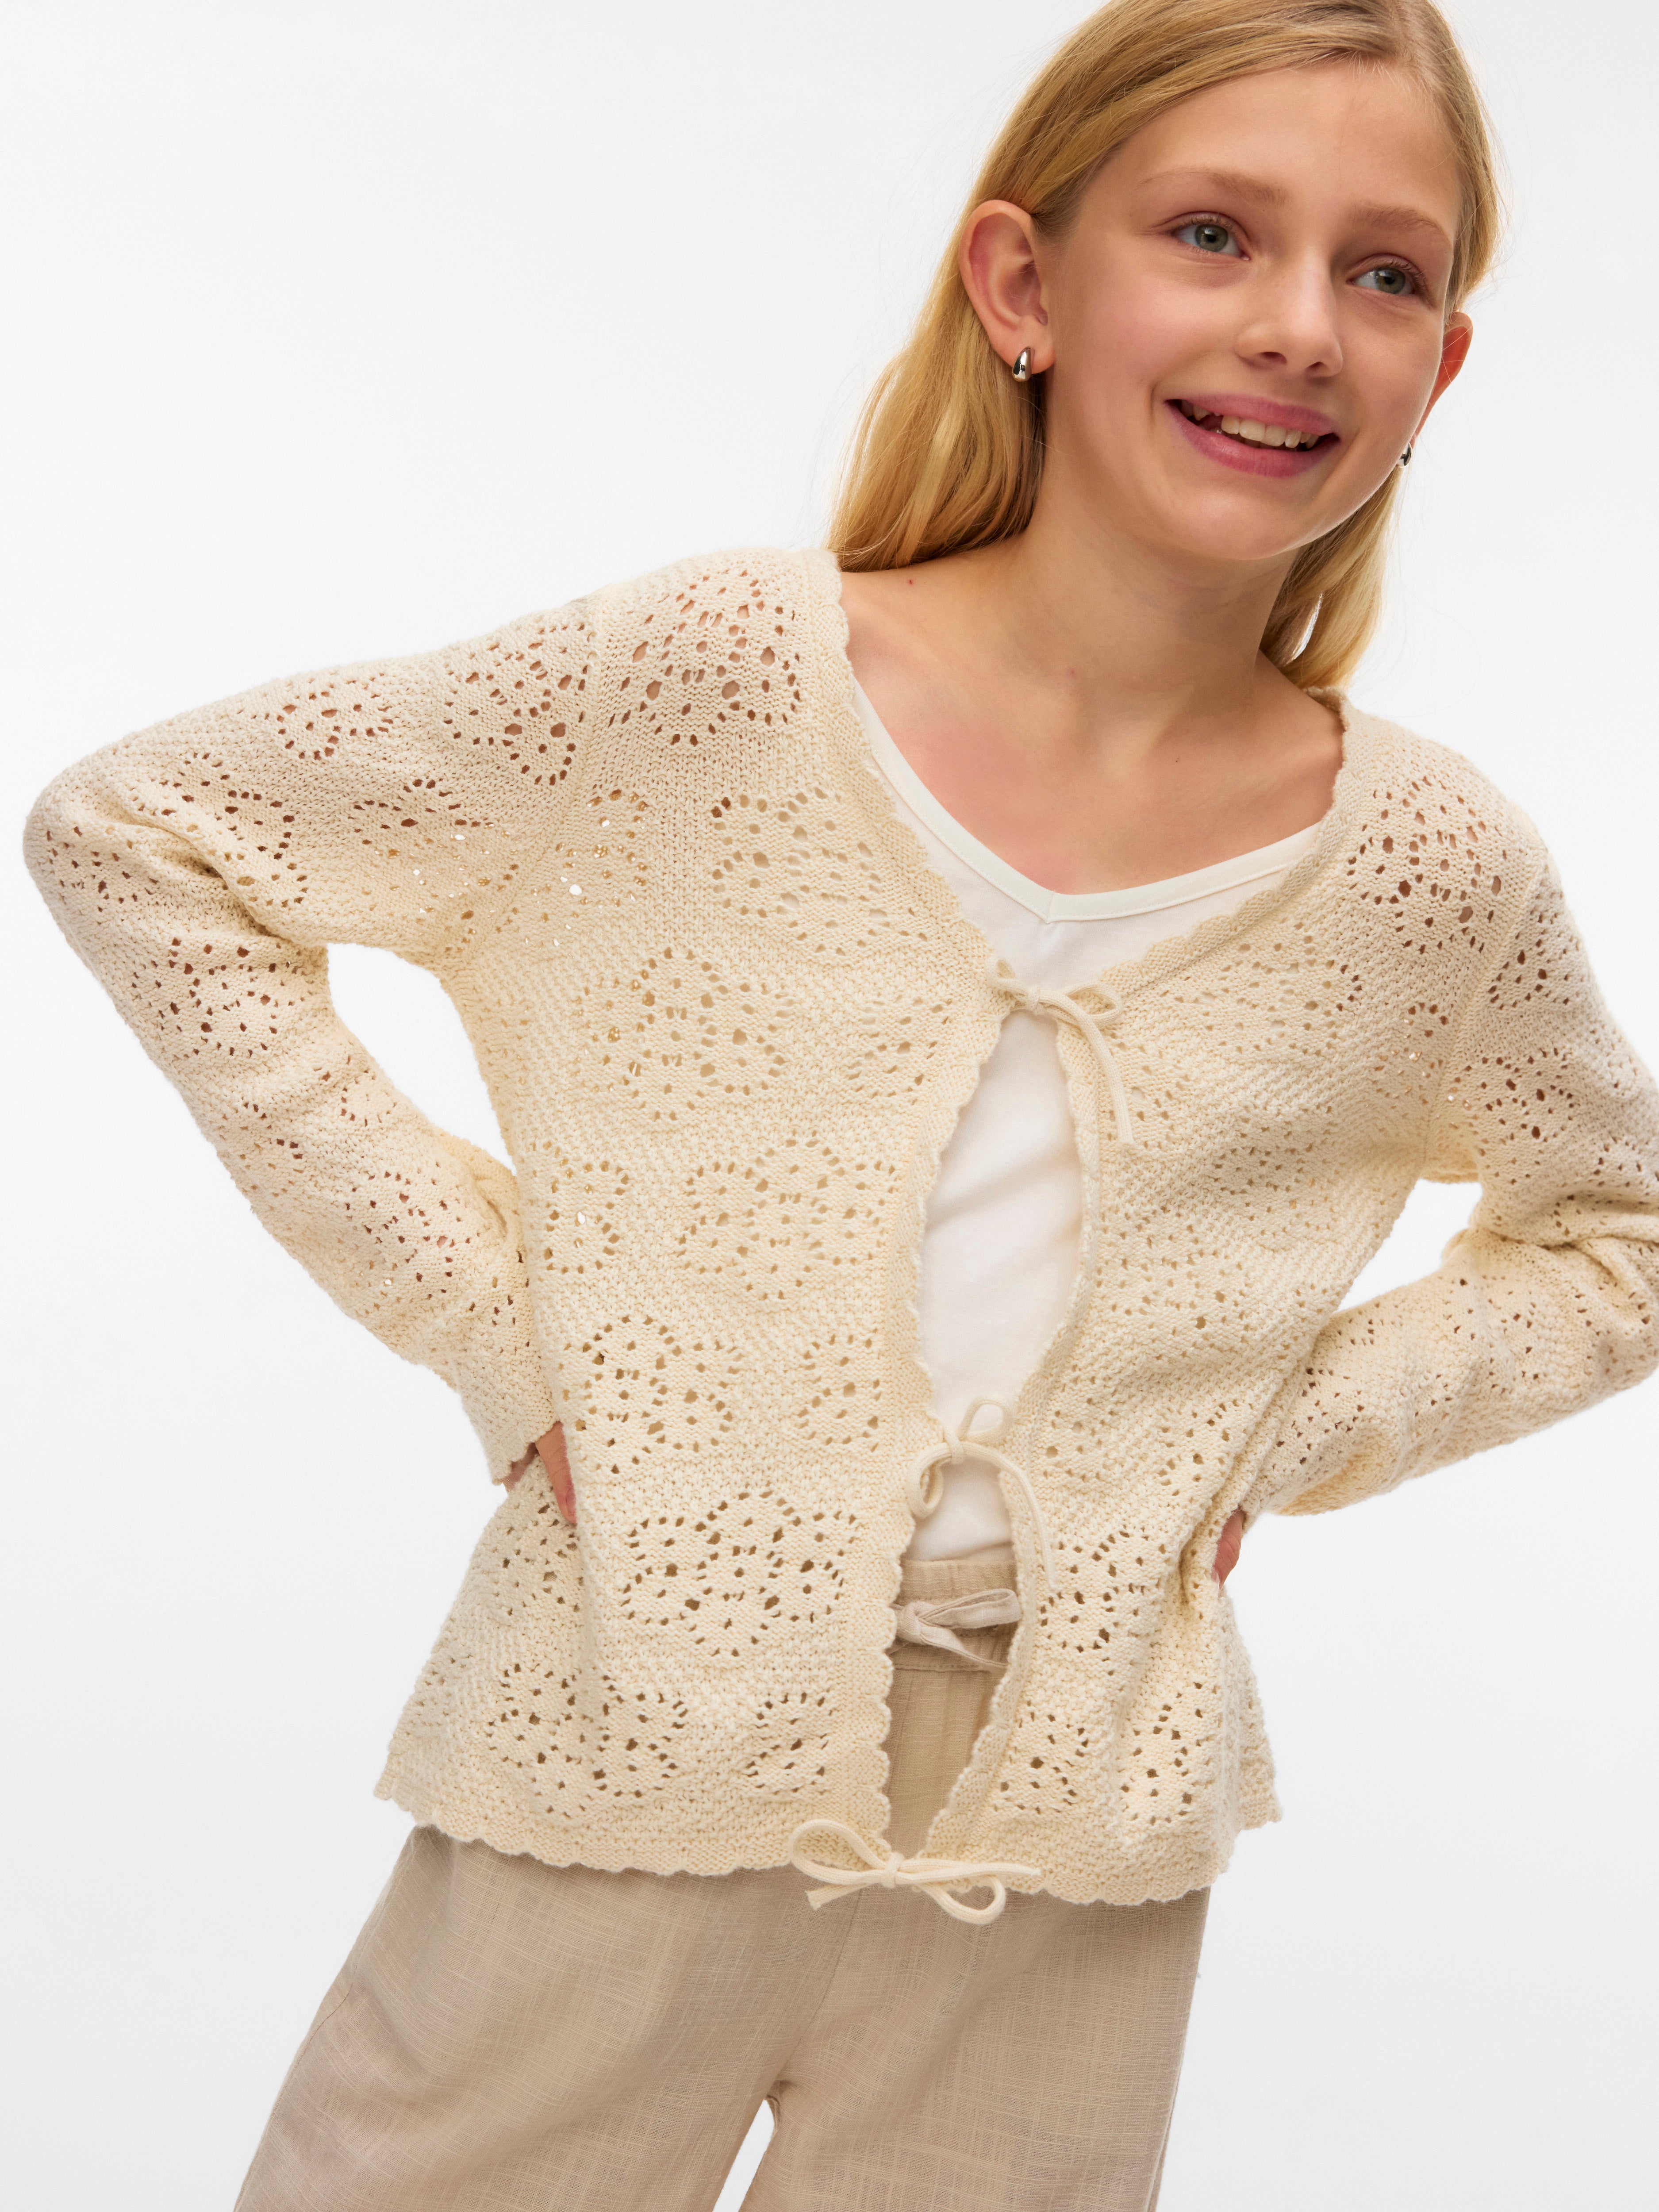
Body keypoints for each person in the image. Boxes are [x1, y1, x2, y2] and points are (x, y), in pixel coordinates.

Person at [23, 1, 1659, 2206]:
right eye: (1210, 232)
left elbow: (1618, 1226)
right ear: (1021, 285)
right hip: (625, 1734)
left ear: (1435, 371)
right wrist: (502, 1324)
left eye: (1383, 272)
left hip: (1065, 1828)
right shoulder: (707, 678)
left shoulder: (1428, 870)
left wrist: (1284, 1423)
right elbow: (144, 833)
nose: (1298, 323)